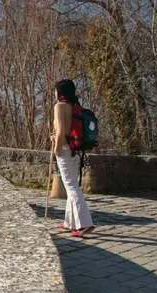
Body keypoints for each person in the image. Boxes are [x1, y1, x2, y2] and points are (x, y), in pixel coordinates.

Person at [52, 79, 95, 238]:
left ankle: (84, 224)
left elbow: (61, 131)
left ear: (59, 92)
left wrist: (56, 149)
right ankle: (70, 221)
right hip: (75, 149)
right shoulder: (74, 106)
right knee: (72, 184)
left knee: (71, 187)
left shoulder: (60, 106)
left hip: (64, 149)